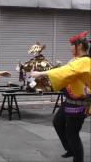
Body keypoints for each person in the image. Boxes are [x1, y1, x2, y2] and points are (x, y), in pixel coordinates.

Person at [31, 31, 90, 162]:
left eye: (71, 45)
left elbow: (65, 71)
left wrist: (42, 74)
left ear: (79, 46)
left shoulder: (85, 61)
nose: (70, 48)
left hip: (78, 104)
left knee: (72, 134)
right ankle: (70, 149)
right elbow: (64, 75)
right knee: (58, 122)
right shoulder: (76, 60)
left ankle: (78, 158)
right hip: (69, 101)